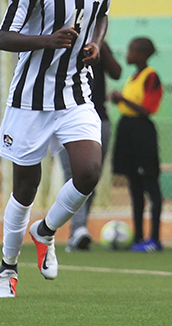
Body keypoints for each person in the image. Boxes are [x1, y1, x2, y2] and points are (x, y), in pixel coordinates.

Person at [0, 0, 114, 298]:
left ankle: (45, 231)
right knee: (25, 189)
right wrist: (47, 40)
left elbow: (101, 15)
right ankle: (8, 269)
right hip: (30, 100)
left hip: (75, 94)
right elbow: (3, 37)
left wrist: (95, 43)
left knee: (89, 172)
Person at [57, 41, 121, 251]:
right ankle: (78, 229)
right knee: (73, 175)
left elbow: (116, 72)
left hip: (98, 118)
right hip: (66, 117)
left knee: (91, 177)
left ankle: (78, 231)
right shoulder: (61, 40)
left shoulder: (96, 42)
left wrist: (101, 45)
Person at [110, 37, 164, 253]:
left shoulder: (151, 76)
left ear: (142, 55)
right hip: (127, 129)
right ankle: (138, 237)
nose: (128, 55)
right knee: (134, 186)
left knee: (150, 185)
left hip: (142, 131)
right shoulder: (133, 77)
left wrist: (122, 99)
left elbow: (148, 109)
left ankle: (155, 239)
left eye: (131, 51)